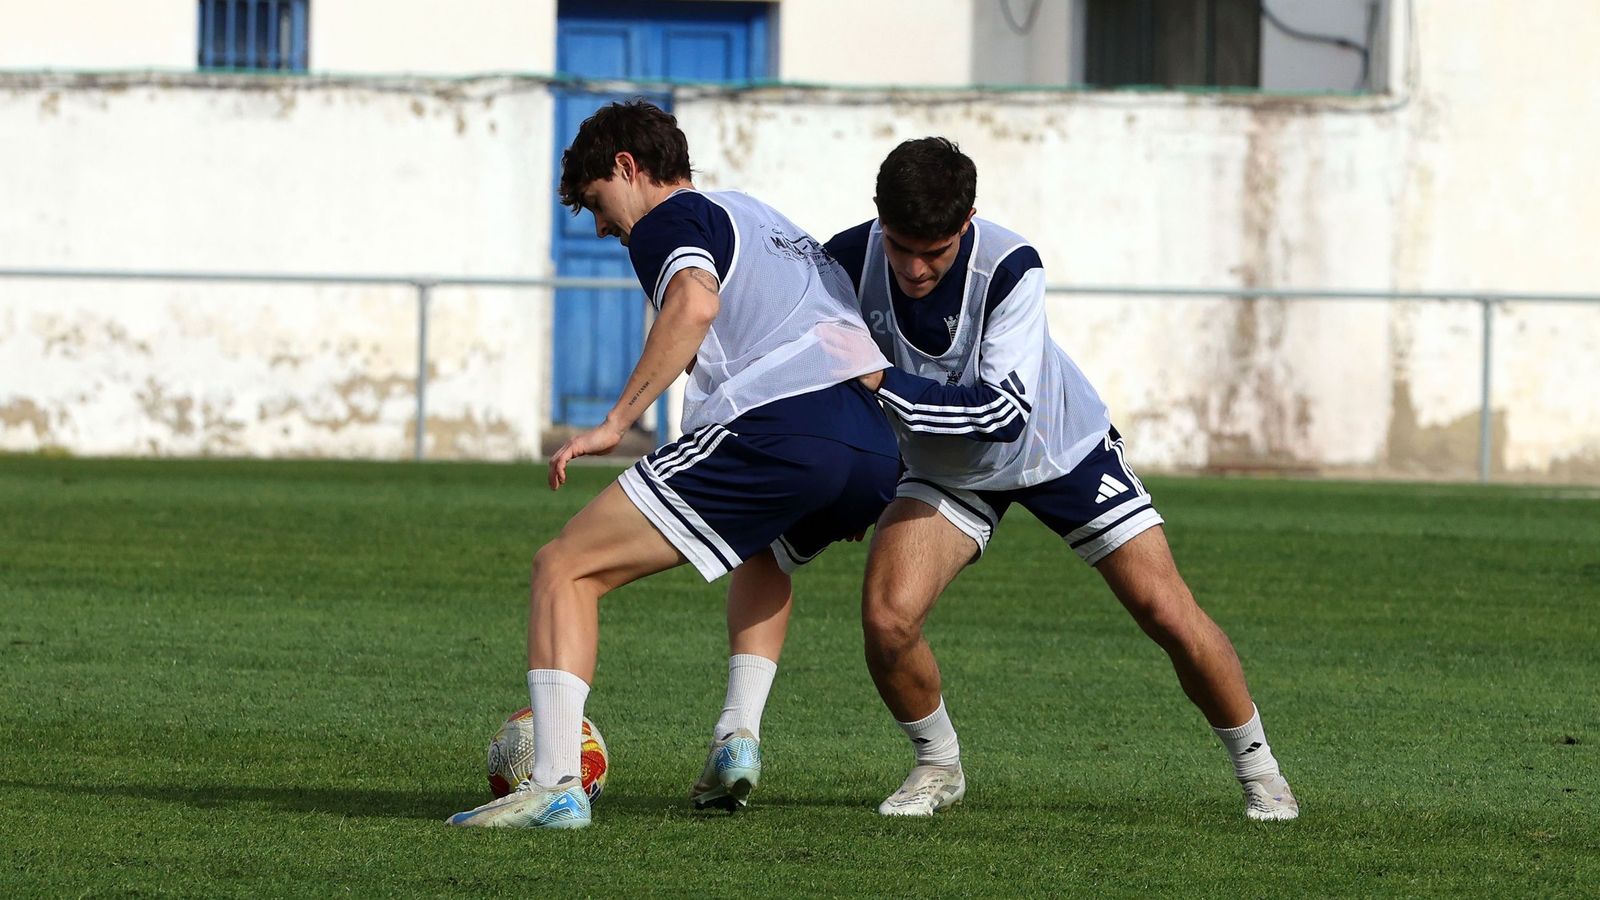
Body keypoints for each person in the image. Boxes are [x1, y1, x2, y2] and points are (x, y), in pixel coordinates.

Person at [446, 100, 899, 829]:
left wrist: (615, 423)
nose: (602, 227)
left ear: (628, 167)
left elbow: (693, 304)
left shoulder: (667, 219)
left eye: (598, 202)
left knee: (563, 567)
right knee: (762, 550)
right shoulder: (760, 217)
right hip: (871, 447)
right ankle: (737, 738)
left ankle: (555, 783)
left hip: (784, 430)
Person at [824, 137, 1299, 821]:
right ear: (879, 218)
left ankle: (1262, 773)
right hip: (947, 469)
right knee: (887, 620)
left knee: (1166, 612)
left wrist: (882, 383)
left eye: (936, 251)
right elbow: (816, 370)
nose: (916, 268)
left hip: (1058, 448)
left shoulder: (1010, 265)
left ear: (968, 221)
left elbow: (1001, 412)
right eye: (901, 247)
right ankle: (938, 765)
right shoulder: (843, 261)